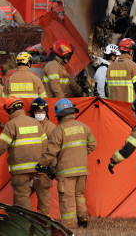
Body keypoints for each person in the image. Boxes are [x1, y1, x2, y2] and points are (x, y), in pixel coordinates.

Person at [37, 98, 96, 229]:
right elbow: (93, 144)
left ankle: (71, 225)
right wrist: (80, 154)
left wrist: (41, 164)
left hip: (66, 172)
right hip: (82, 171)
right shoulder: (84, 127)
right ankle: (83, 218)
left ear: (60, 115)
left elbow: (51, 151)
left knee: (67, 198)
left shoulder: (58, 131)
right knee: (79, 195)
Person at [0, 97, 47, 211]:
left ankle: (26, 223)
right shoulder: (36, 123)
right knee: (42, 194)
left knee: (22, 197)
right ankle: (41, 222)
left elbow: (1, 146)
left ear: (10, 110)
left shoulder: (11, 125)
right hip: (38, 167)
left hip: (20, 169)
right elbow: (45, 144)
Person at [29, 97, 55, 216]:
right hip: (28, 169)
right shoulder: (27, 125)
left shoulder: (51, 127)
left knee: (44, 199)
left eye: (42, 112)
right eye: (38, 112)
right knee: (21, 197)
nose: (40, 114)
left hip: (43, 170)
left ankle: (43, 222)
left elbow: (54, 150)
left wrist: (52, 168)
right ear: (32, 112)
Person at [105, 38, 136, 102]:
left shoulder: (110, 67)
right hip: (129, 108)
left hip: (114, 107)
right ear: (130, 51)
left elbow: (106, 90)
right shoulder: (133, 66)